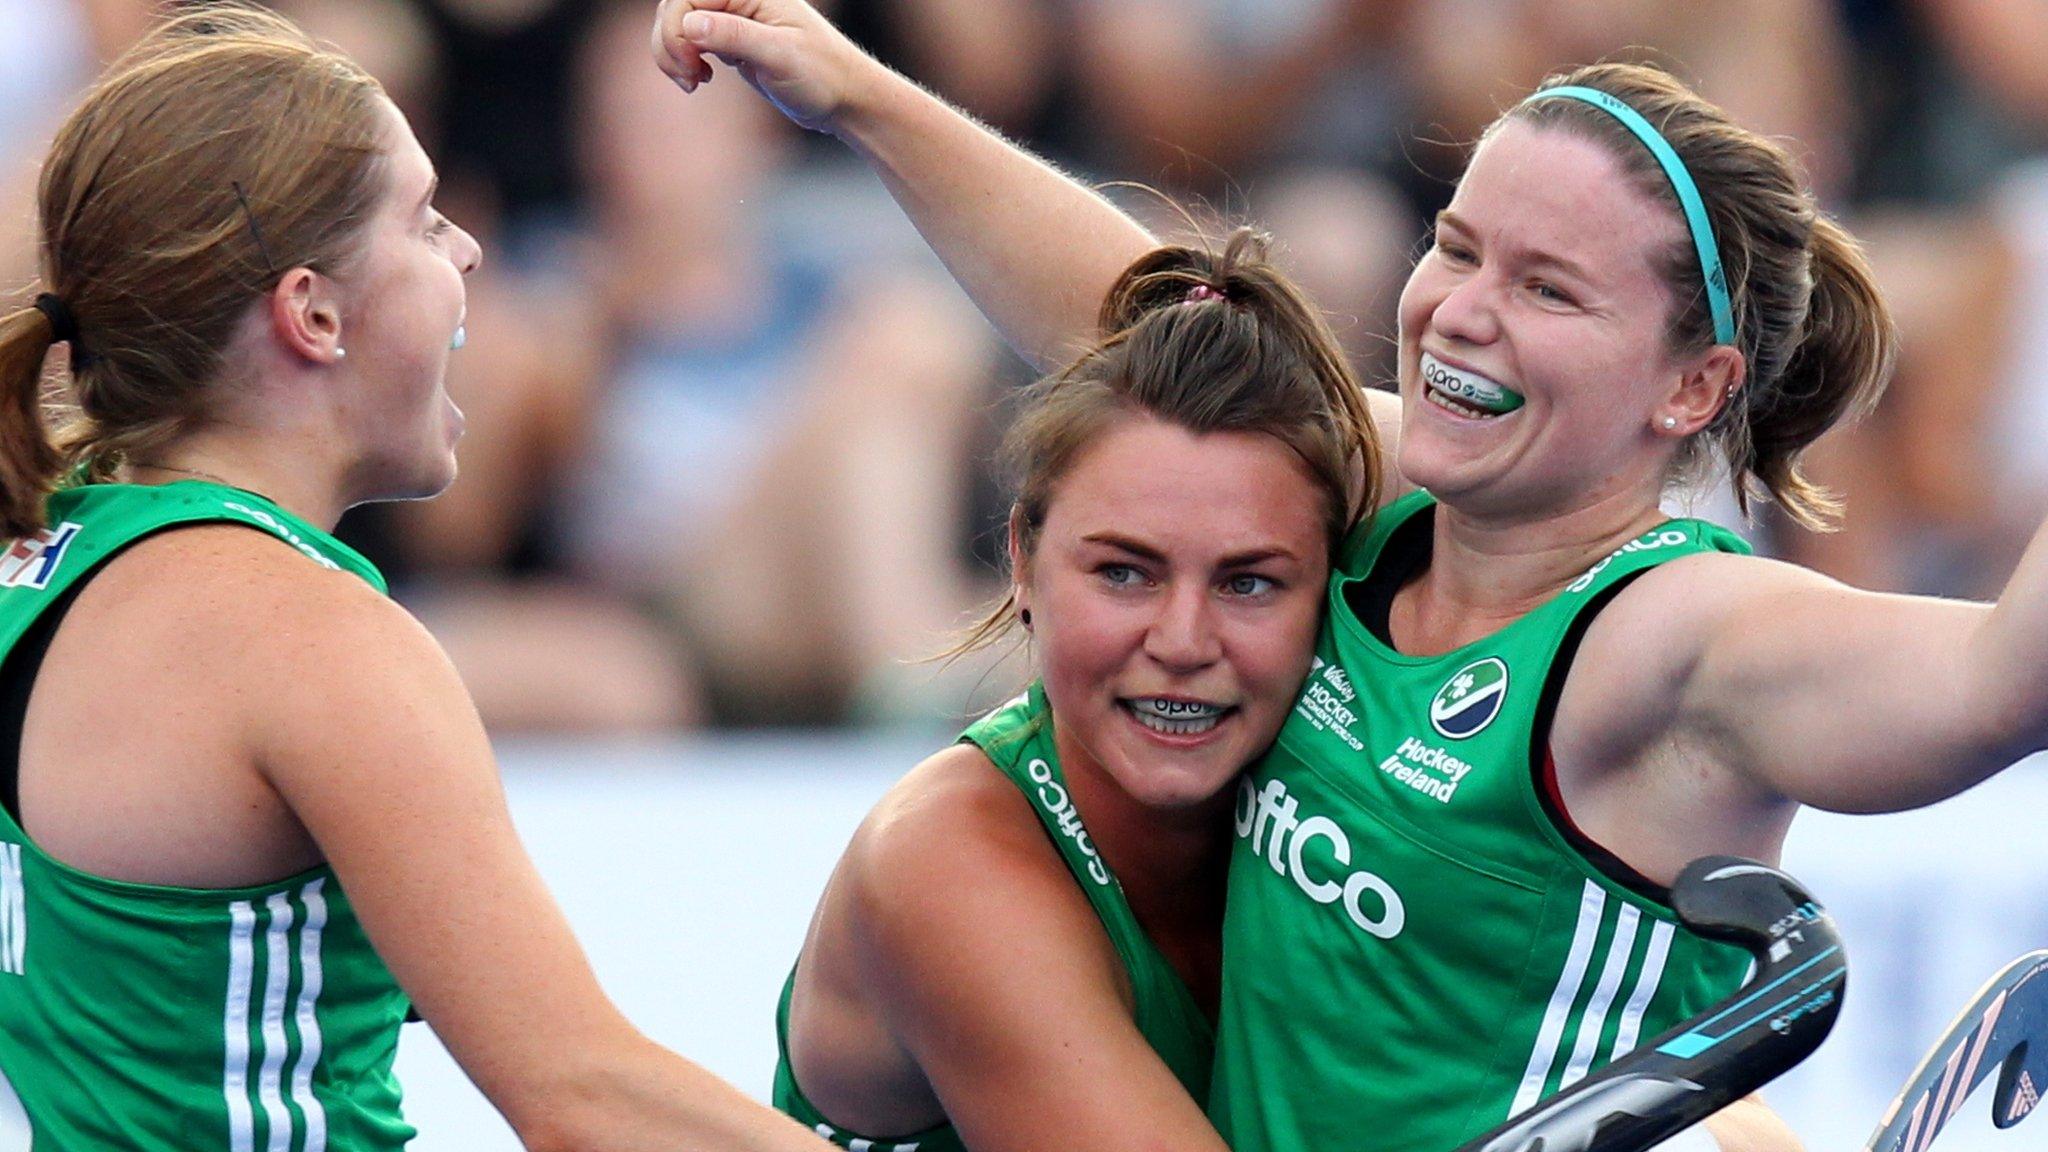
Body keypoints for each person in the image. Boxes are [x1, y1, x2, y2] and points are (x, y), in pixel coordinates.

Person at [652, 5, 2032, 1151]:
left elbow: (1995, 681)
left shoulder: (1679, 635)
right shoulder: (1391, 496)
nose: (1461, 312)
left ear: (1695, 386)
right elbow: (1149, 320)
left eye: (1551, 291)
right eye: (1459, 244)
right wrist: (860, 95)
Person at [0, 8, 835, 1150]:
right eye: (424, 220)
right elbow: (585, 1096)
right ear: (312, 311)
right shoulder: (302, 635)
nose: (468, 252)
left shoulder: (42, 568)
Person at [774, 230, 1378, 1152]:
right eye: (1126, 574)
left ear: (1329, 589)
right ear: (1022, 558)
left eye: (1248, 582)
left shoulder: (1367, 808)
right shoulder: (939, 862)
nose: (1182, 642)